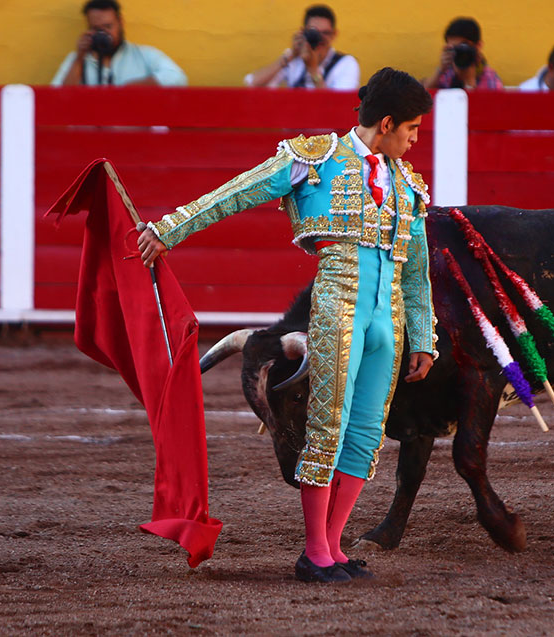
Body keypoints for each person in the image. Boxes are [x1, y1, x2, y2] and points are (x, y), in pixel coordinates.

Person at [137, 68, 436, 583]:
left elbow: (417, 271)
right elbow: (239, 192)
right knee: (328, 427)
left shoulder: (407, 184)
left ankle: (335, 547)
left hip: (387, 323)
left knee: (365, 434)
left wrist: (423, 337)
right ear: (386, 123)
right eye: (411, 127)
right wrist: (170, 229)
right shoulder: (313, 159)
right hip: (337, 312)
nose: (415, 137)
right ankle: (315, 551)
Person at [51, 0, 187, 86]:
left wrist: (133, 88)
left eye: (108, 26)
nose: (103, 33)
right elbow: (57, 97)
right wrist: (79, 59)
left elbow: (178, 78)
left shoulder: (144, 55)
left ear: (121, 23)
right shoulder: (76, 59)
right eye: (96, 29)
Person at [244, 4, 360, 89]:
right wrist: (290, 56)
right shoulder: (293, 58)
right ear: (303, 32)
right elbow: (253, 85)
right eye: (314, 32)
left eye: (325, 33)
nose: (319, 38)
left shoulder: (346, 63)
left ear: (334, 34)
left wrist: (313, 70)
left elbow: (338, 105)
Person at [422, 17, 503, 91]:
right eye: (454, 49)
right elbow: (422, 97)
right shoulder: (446, 74)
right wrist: (440, 70)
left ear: (478, 46)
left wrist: (469, 82)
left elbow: (480, 106)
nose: (460, 53)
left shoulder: (490, 79)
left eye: (463, 47)